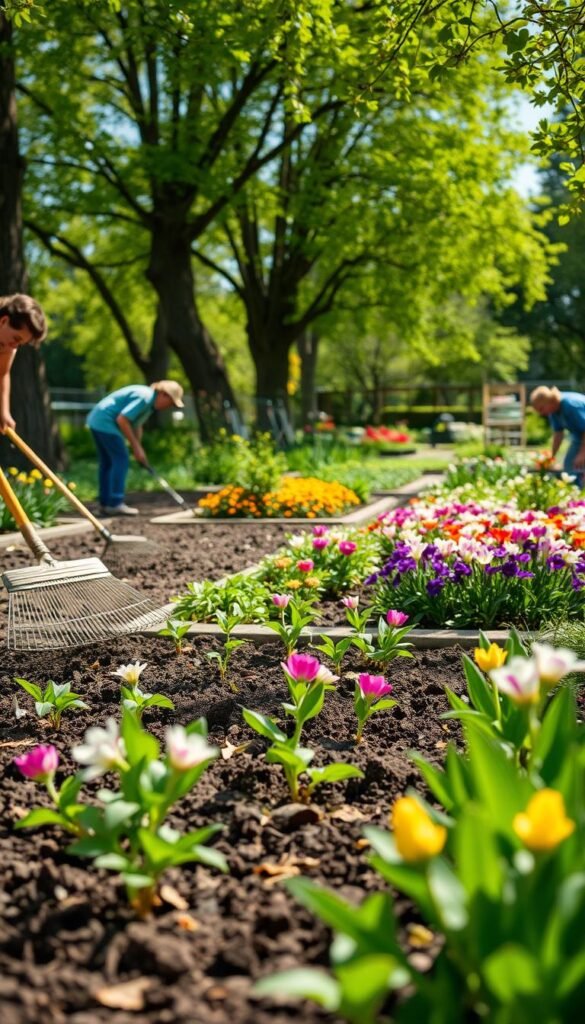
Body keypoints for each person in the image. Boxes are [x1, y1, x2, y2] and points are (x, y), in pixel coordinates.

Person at [87, 380, 184, 515]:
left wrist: (138, 448)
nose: (170, 407)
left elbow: (136, 424)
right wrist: (135, 446)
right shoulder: (145, 397)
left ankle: (105, 503)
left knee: (108, 463)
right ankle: (115, 503)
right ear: (164, 394)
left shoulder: (149, 404)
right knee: (120, 459)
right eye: (171, 403)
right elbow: (122, 419)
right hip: (105, 422)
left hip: (97, 421)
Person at [0, 294, 48, 431]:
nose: (14, 347)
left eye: (20, 344)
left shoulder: (7, 346)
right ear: (3, 321)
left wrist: (4, 411)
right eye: (16, 338)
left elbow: (2, 373)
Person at [530, 385, 585, 484]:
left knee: (578, 464)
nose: (542, 413)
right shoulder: (554, 412)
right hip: (579, 438)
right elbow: (558, 434)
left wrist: (582, 453)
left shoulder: (571, 405)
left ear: (549, 401)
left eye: (541, 409)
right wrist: (552, 457)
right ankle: (577, 494)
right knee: (569, 466)